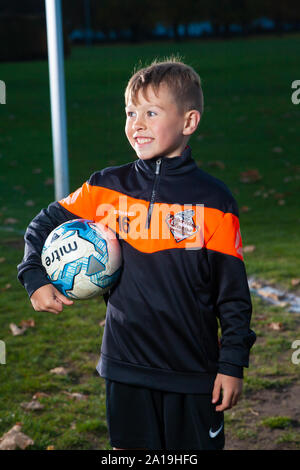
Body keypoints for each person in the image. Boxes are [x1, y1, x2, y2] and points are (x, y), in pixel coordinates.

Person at [17, 58, 256, 451]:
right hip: (125, 367)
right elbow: (41, 225)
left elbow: (232, 296)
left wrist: (231, 366)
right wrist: (34, 277)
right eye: (130, 113)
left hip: (192, 372)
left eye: (151, 112)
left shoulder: (214, 201)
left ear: (189, 122)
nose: (137, 123)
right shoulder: (106, 187)